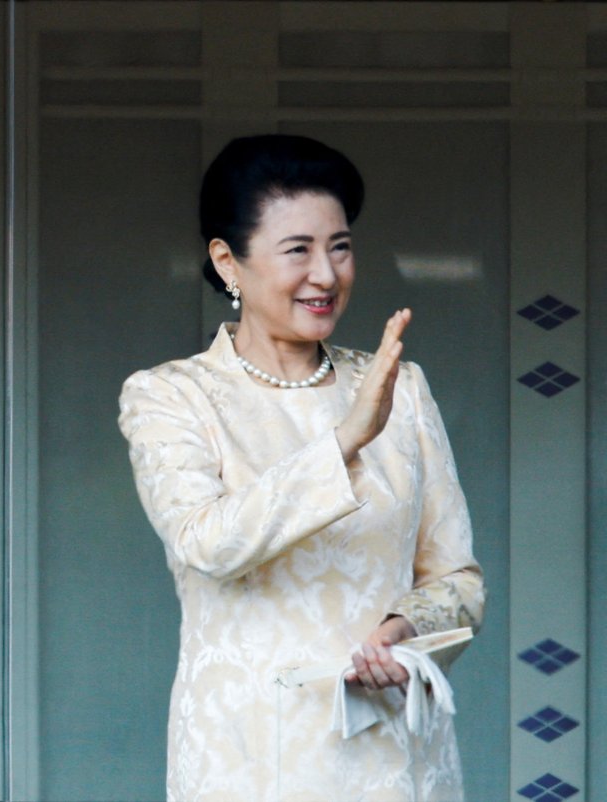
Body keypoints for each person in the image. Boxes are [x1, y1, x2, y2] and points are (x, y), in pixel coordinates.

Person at [117, 135, 484, 801]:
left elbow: (457, 581)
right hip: (247, 760)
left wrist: (402, 636)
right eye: (298, 250)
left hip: (394, 759)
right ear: (228, 262)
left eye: (339, 246)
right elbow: (208, 542)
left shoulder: (402, 388)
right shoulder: (170, 396)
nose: (326, 274)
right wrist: (343, 440)